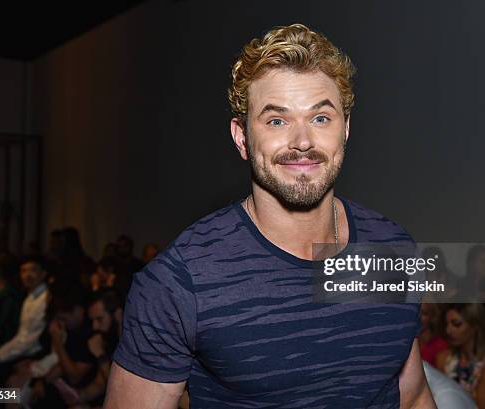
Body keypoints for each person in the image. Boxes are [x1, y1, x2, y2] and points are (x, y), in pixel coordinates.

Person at [106, 23, 435, 408]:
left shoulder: (392, 249)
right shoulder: (179, 281)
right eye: (277, 120)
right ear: (241, 137)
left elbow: (411, 397)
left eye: (321, 118)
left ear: (345, 129)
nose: (302, 142)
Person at [0, 257, 49, 387]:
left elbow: (28, 341)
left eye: (33, 270)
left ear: (43, 274)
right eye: (23, 271)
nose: (27, 275)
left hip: (34, 354)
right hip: (21, 350)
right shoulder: (30, 297)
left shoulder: (44, 298)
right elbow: (21, 336)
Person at [436, 304, 485, 409]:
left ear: (475, 325)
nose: (448, 330)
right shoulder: (443, 359)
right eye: (447, 324)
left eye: (456, 324)